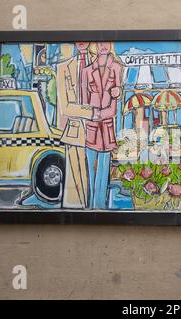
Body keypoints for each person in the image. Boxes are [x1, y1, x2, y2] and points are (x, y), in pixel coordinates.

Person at [80, 42, 123, 209]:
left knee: (104, 167)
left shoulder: (117, 67)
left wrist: (117, 93)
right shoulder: (86, 71)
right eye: (99, 43)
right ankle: (91, 205)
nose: (102, 46)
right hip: (91, 123)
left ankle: (100, 205)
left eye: (106, 43)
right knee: (90, 167)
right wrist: (92, 114)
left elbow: (115, 102)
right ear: (95, 46)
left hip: (106, 126)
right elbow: (84, 100)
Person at [56, 42, 93, 208]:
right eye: (78, 40)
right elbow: (65, 106)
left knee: (94, 177)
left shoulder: (102, 63)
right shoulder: (63, 67)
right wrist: (93, 112)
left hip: (98, 131)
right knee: (75, 181)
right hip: (74, 131)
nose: (82, 42)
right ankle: (77, 210)